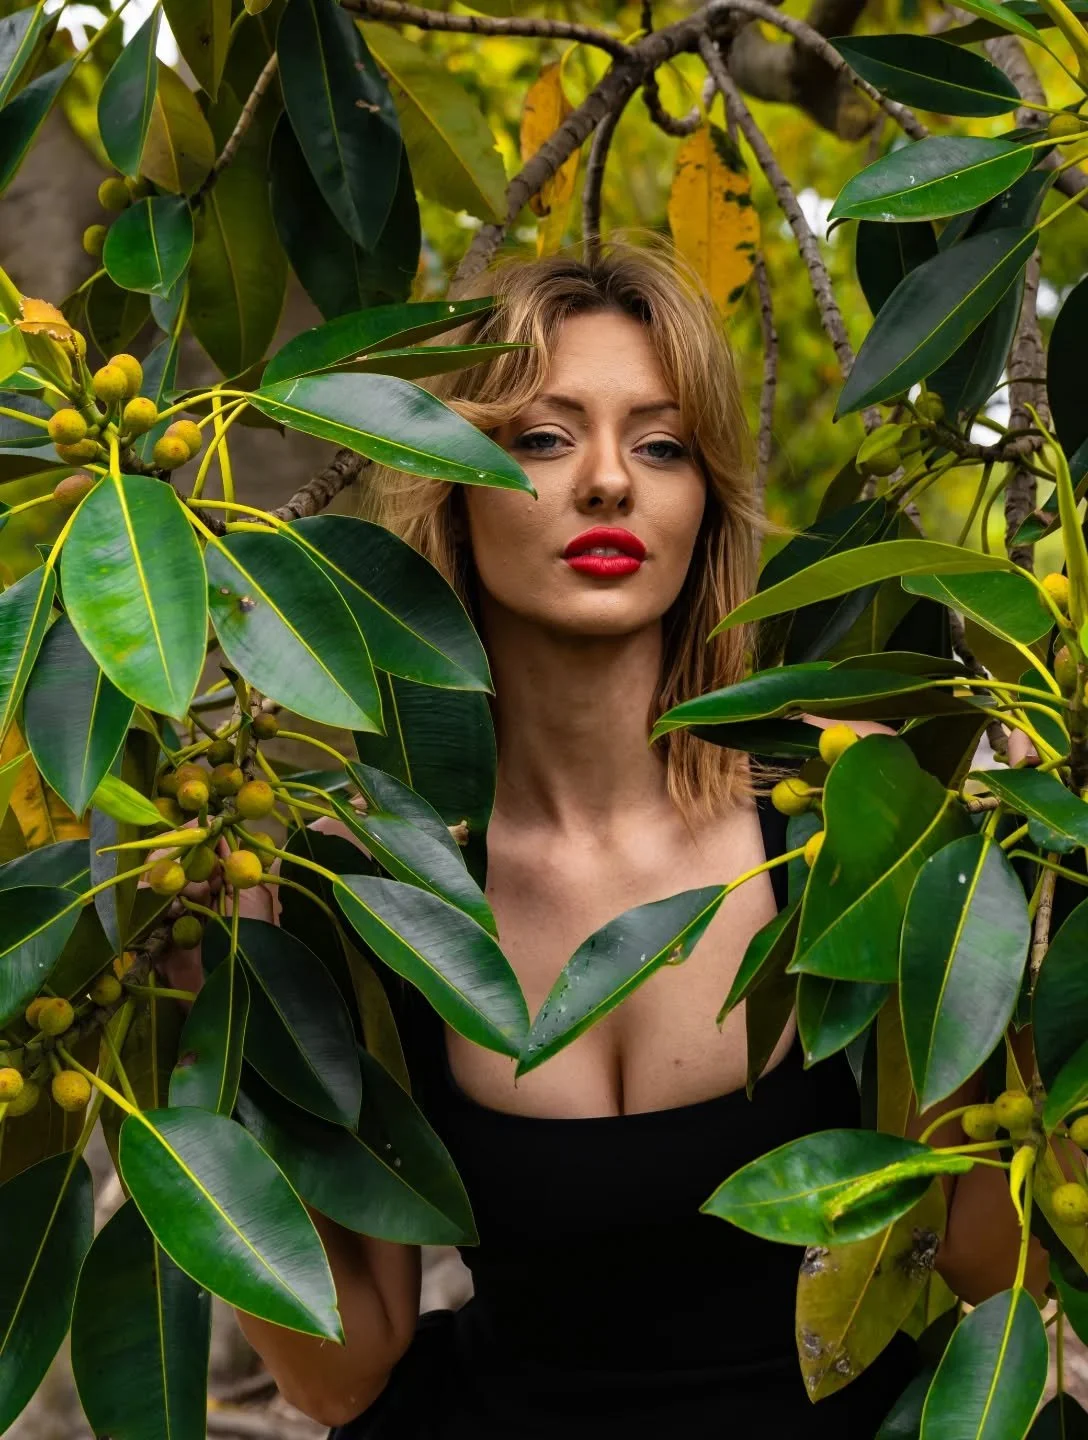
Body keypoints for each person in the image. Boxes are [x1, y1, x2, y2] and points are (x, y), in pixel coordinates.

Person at [158, 241, 1044, 1438]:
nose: (609, 482)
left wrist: (1017, 927)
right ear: (452, 489)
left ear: (702, 501)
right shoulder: (356, 885)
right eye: (542, 437)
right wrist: (192, 1043)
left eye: (660, 444)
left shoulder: (854, 815)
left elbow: (989, 1272)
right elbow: (336, 1372)